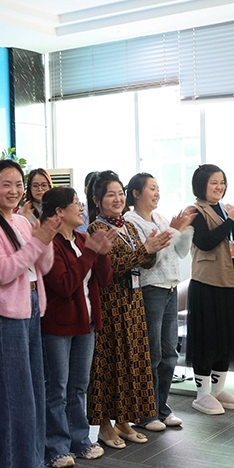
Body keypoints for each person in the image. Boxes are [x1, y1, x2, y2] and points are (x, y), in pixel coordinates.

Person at [0, 159, 59, 468]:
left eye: (18, 184)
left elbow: (44, 266)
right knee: (15, 396)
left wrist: (45, 238)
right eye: (6, 184)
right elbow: (4, 272)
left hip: (31, 306)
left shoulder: (23, 221)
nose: (14, 190)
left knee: (33, 390)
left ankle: (11, 464)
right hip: (5, 314)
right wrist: (38, 242)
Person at [86, 171, 171, 449]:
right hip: (110, 304)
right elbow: (111, 268)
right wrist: (144, 251)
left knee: (130, 361)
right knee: (108, 363)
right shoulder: (96, 229)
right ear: (97, 200)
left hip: (133, 302)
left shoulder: (129, 226)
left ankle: (124, 421)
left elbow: (143, 263)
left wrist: (152, 249)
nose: (117, 199)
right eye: (110, 195)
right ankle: (105, 426)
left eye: (120, 194)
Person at [39, 187, 115, 468]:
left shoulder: (83, 240)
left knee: (79, 386)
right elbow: (64, 285)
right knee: (57, 388)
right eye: (76, 204)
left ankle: (80, 440)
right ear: (59, 211)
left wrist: (102, 254)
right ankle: (56, 447)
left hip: (86, 322)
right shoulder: (50, 243)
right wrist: (90, 253)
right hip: (58, 325)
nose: (82, 208)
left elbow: (103, 280)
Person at [124, 173, 197, 432]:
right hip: (150, 288)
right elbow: (150, 256)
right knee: (152, 353)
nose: (157, 193)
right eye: (151, 188)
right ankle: (146, 413)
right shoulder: (130, 221)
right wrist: (173, 230)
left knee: (169, 353)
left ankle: (162, 408)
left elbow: (180, 252)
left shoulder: (161, 218)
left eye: (158, 188)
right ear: (136, 193)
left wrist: (184, 230)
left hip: (170, 287)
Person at [186, 164, 234, 415]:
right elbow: (205, 242)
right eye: (214, 182)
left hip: (232, 282)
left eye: (222, 182)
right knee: (207, 339)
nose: (219, 187)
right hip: (207, 284)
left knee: (226, 337)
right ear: (201, 185)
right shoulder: (194, 212)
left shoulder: (226, 209)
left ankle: (218, 390)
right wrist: (230, 222)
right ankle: (202, 394)